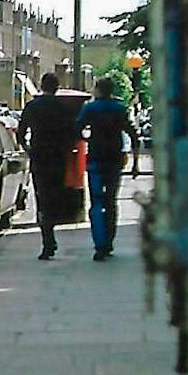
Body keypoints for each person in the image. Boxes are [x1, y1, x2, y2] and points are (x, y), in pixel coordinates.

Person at [76, 77, 140, 261]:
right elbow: (133, 134)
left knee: (96, 202)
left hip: (95, 158)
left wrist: (87, 137)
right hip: (114, 160)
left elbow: (77, 128)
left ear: (97, 89)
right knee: (110, 201)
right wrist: (135, 162)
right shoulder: (119, 109)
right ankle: (109, 241)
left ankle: (99, 244)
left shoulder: (90, 108)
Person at [16, 73, 73, 260]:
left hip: (39, 157)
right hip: (58, 158)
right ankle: (51, 233)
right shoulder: (63, 108)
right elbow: (72, 133)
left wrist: (28, 148)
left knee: (42, 197)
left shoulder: (33, 106)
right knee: (55, 197)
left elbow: (20, 132)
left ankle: (47, 240)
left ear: (41, 86)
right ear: (57, 87)